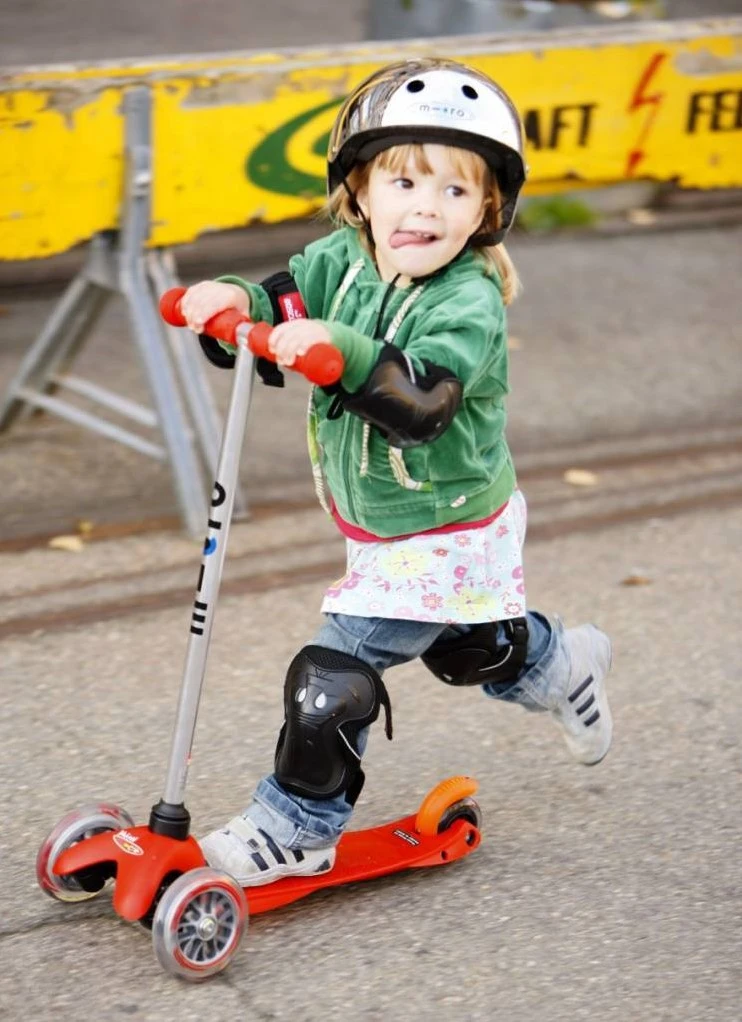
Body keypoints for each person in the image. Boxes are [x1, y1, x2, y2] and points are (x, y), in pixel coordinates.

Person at [179, 57, 613, 886]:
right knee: (467, 646)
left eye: (454, 190)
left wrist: (340, 350)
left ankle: (297, 827)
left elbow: (420, 401)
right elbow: (282, 298)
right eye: (404, 181)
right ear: (359, 191)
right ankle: (561, 664)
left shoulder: (466, 301)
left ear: (487, 209)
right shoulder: (342, 259)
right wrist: (232, 301)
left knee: (331, 676)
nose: (425, 207)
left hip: (445, 528)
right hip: (386, 523)